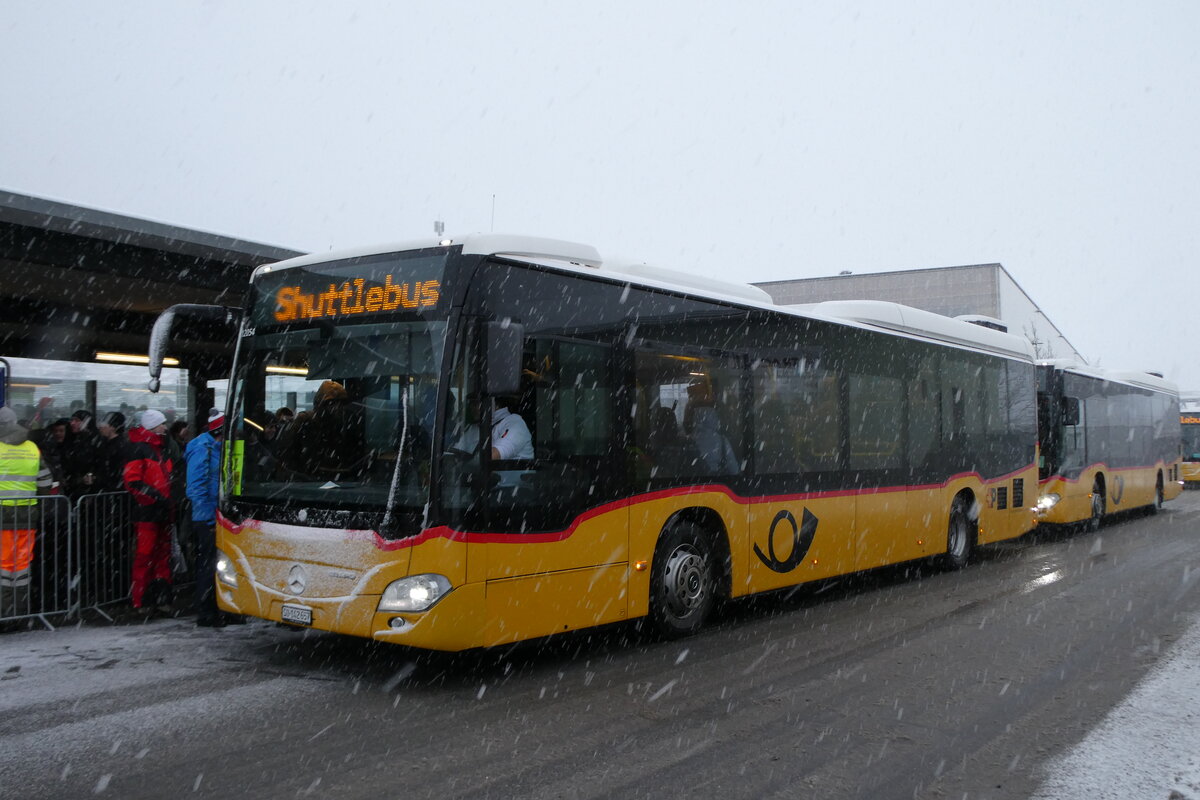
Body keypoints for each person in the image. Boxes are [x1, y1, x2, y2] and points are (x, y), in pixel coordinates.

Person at [0, 406, 57, 623]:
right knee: (21, 565)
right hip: (26, 517)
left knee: (3, 567)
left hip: (2, 516)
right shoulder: (32, 447)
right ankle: (20, 613)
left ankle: (4, 614)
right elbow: (46, 481)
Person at [122, 408, 176, 615]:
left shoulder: (157, 448)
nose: (165, 427)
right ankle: (144, 600)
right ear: (153, 427)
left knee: (159, 556)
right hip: (149, 511)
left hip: (158, 510)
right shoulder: (143, 449)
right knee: (147, 556)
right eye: (162, 424)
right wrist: (157, 498)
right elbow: (133, 482)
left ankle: (155, 598)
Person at [186, 409, 229, 627]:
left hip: (216, 515)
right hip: (207, 518)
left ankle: (217, 609)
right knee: (208, 564)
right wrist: (210, 518)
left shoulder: (212, 446)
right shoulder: (203, 448)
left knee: (215, 563)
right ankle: (206, 612)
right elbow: (196, 488)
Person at [63, 409, 102, 497]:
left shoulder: (96, 441)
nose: (72, 423)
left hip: (89, 491)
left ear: (86, 422)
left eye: (77, 420)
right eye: (72, 420)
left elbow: (99, 464)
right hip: (72, 488)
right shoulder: (71, 439)